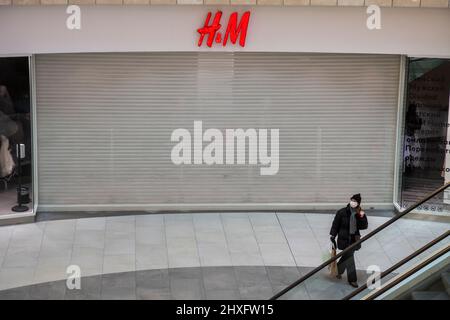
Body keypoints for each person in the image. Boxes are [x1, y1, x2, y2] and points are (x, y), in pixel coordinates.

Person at [329, 193, 368, 288]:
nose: (353, 202)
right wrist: (333, 235)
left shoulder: (360, 212)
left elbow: (364, 226)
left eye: (355, 201)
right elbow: (335, 224)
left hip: (354, 239)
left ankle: (338, 270)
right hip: (344, 238)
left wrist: (361, 217)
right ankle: (352, 280)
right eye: (352, 200)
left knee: (347, 256)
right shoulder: (342, 212)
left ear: (358, 203)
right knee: (350, 257)